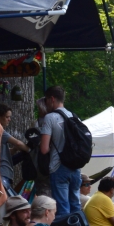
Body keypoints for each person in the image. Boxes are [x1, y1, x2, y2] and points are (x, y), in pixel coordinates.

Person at [38, 86, 84, 218]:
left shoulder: (50, 118)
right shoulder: (74, 117)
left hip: (58, 168)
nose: (46, 104)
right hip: (75, 168)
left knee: (63, 207)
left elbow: (44, 149)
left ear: (52, 99)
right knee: (76, 205)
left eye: (46, 100)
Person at [0, 102, 27, 199]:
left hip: (5, 173)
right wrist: (30, 150)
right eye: (7, 117)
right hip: (3, 173)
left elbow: (3, 152)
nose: (9, 119)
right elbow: (18, 143)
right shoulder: (0, 131)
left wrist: (14, 150)